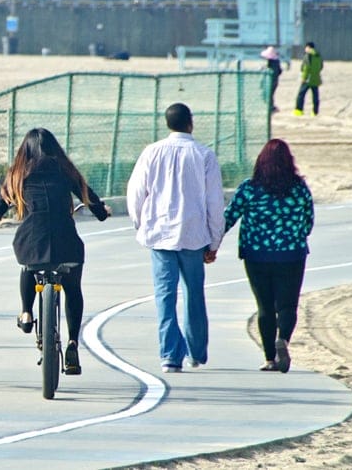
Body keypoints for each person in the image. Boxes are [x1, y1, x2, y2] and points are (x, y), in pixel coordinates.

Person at [0, 128, 111, 375]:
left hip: (31, 239)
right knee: (72, 287)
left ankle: (26, 313)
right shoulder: (65, 170)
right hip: (65, 238)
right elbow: (91, 200)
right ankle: (72, 344)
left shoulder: (17, 173)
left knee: (28, 266)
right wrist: (102, 212)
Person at [126, 102, 225, 374]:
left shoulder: (151, 152)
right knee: (193, 293)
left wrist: (140, 224)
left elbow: (136, 193)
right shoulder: (204, 155)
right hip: (193, 235)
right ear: (190, 123)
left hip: (159, 234)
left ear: (168, 124)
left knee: (164, 295)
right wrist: (215, 241)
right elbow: (215, 203)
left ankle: (170, 355)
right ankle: (195, 352)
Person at [224, 139, 314, 373]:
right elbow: (308, 221)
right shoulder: (299, 188)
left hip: (257, 255)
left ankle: (269, 359)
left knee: (264, 307)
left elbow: (229, 217)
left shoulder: (249, 188)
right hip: (292, 254)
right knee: (287, 305)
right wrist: (295, 237)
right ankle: (283, 339)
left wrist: (209, 244)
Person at [294, 41, 323, 117]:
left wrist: (303, 77)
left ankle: (299, 110)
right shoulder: (318, 55)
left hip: (308, 79)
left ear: (308, 47)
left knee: (301, 94)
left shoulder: (308, 55)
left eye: (306, 47)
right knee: (315, 96)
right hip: (316, 78)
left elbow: (306, 68)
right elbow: (321, 66)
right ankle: (315, 112)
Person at [260, 46, 282, 112]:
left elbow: (274, 72)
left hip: (271, 81)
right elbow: (280, 71)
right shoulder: (276, 62)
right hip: (275, 81)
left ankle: (271, 107)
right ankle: (271, 106)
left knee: (269, 95)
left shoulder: (272, 62)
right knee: (270, 95)